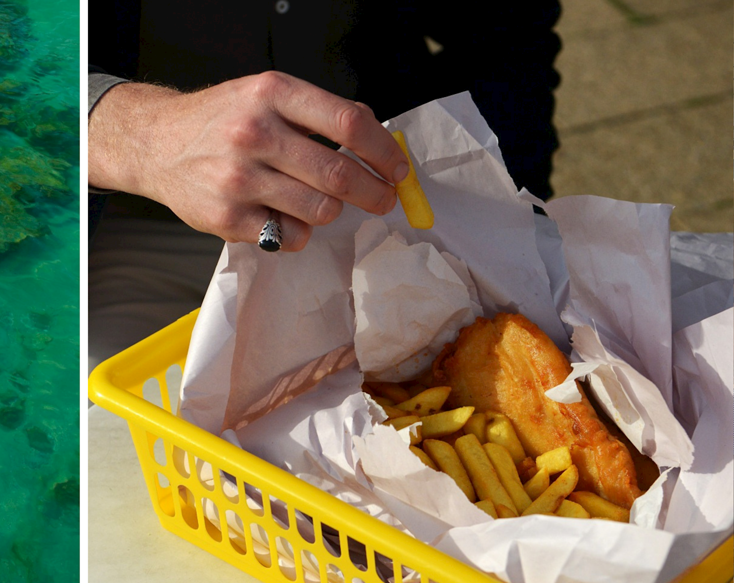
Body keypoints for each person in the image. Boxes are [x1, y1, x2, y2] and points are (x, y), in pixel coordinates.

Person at [86, 1, 561, 367]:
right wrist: (141, 134)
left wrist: (507, 215)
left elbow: (507, 36)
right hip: (121, 221)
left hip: (372, 207)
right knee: (98, 454)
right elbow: (11, 69)